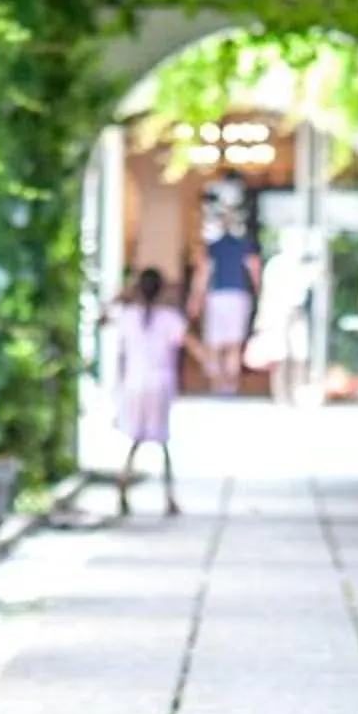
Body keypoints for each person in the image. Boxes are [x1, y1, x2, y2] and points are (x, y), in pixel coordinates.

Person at [111, 266, 190, 516]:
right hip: (159, 384)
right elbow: (186, 343)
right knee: (162, 441)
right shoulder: (170, 318)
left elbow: (104, 317)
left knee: (135, 439)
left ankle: (123, 487)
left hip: (134, 383)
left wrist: (124, 293)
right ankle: (169, 496)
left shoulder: (127, 315)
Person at [193, 194, 263, 397]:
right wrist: (259, 293)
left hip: (217, 297)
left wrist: (196, 300)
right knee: (234, 344)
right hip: (238, 296)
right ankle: (230, 386)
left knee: (215, 343)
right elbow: (254, 269)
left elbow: (203, 275)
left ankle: (217, 385)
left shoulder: (213, 248)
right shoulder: (245, 245)